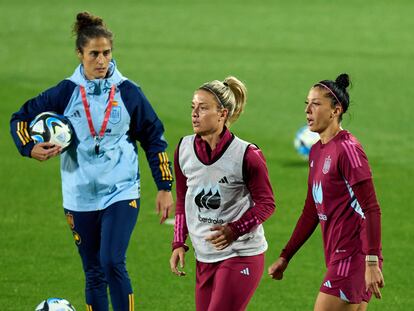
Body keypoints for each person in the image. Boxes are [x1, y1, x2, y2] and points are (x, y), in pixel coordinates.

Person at [10, 12, 173, 311]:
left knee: (112, 261)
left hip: (121, 190)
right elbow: (19, 118)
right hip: (79, 194)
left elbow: (154, 138)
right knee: (94, 273)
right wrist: (29, 146)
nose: (102, 61)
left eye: (107, 53)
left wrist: (164, 186)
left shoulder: (128, 93)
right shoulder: (65, 92)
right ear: (80, 54)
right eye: (94, 54)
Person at [268, 73, 384, 311]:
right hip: (339, 256)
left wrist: (371, 261)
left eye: (316, 104)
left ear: (336, 110)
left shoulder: (348, 150)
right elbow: (311, 211)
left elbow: (371, 207)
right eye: (307, 104)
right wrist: (286, 256)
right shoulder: (316, 152)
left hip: (354, 257)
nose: (308, 110)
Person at [169, 76, 275, 311]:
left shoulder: (247, 155)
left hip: (241, 254)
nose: (195, 114)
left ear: (222, 114)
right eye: (193, 107)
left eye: (203, 108)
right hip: (204, 256)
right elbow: (182, 200)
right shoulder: (183, 149)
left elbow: (267, 204)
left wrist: (234, 230)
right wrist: (178, 241)